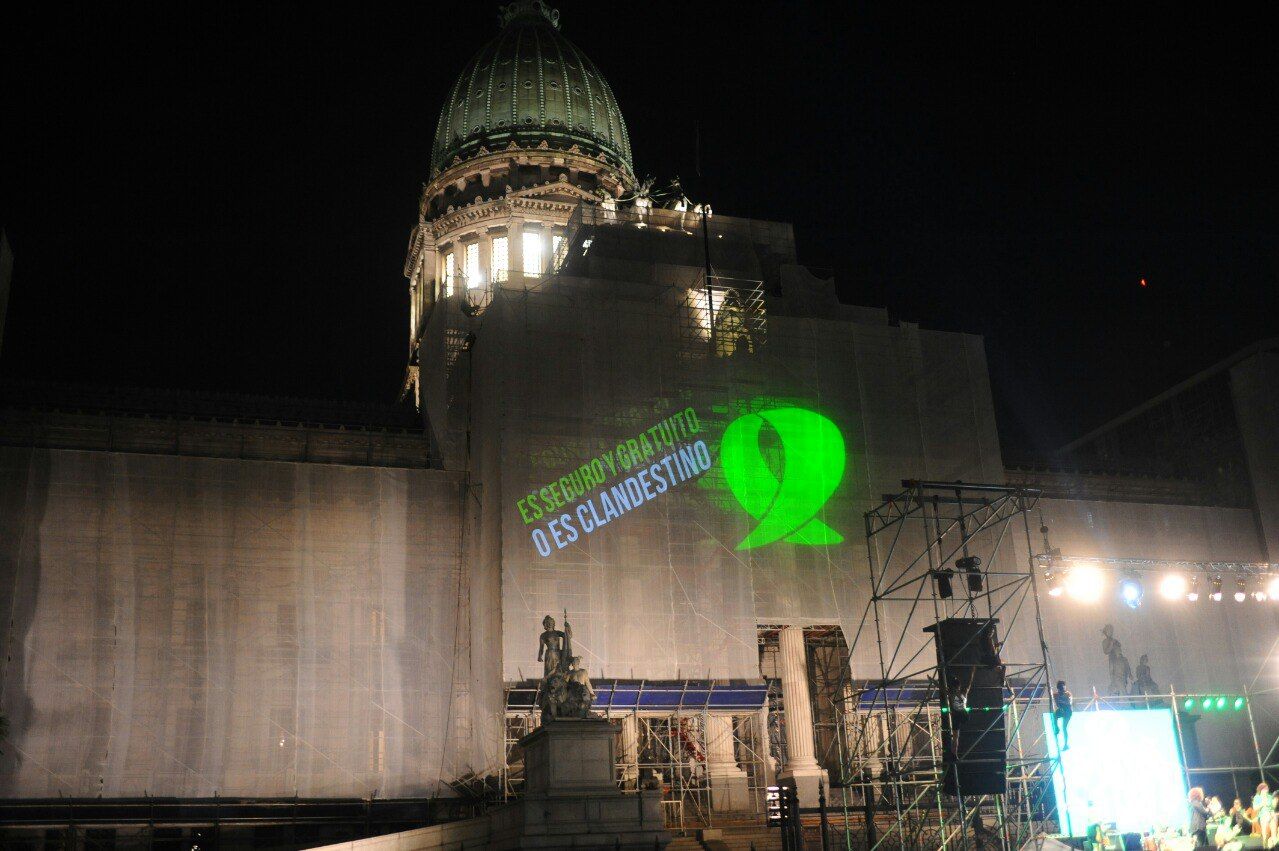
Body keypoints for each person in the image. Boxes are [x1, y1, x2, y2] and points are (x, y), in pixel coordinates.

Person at [1052, 680, 1074, 750]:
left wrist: (1063, 704)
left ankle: (1066, 744)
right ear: (1059, 689)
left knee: (1064, 727)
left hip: (1068, 711)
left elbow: (1069, 703)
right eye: (1061, 690)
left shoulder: (1068, 694)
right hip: (1061, 709)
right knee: (1054, 715)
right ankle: (1057, 728)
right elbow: (1057, 704)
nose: (1062, 691)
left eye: (1063, 689)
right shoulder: (1055, 695)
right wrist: (1061, 707)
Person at [1252, 783, 1273, 847]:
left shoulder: (1270, 797)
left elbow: (1274, 806)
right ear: (1261, 790)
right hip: (1262, 816)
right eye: (1264, 789)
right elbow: (1255, 808)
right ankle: (1265, 844)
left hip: (1271, 815)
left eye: (1267, 789)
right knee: (1265, 831)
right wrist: (1262, 804)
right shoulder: (1257, 797)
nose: (1266, 790)